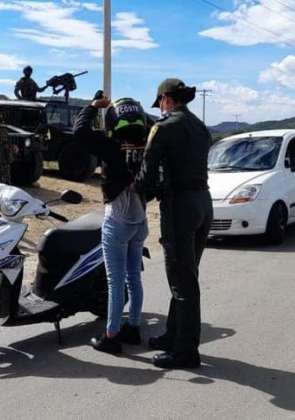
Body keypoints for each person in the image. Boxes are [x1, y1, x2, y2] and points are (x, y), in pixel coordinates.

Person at [137, 79, 212, 369]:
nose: (161, 109)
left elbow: (146, 174)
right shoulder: (201, 127)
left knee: (183, 283)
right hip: (202, 204)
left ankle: (186, 352)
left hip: (180, 207)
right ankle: (173, 335)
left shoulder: (164, 127)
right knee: (185, 276)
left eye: (161, 103)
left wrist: (133, 190)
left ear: (166, 99)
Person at [74, 92, 149, 355]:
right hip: (140, 221)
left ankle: (111, 335)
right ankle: (134, 327)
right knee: (134, 278)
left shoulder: (110, 145)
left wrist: (93, 106)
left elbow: (80, 132)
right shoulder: (148, 144)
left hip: (116, 221)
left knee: (114, 282)